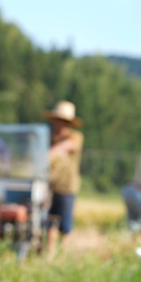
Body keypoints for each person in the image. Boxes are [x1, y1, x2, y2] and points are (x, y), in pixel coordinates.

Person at [45, 101, 84, 254]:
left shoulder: (75, 137)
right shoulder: (48, 137)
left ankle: (63, 254)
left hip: (66, 187)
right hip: (48, 185)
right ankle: (50, 253)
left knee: (64, 224)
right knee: (49, 221)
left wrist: (45, 155)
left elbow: (63, 148)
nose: (58, 123)